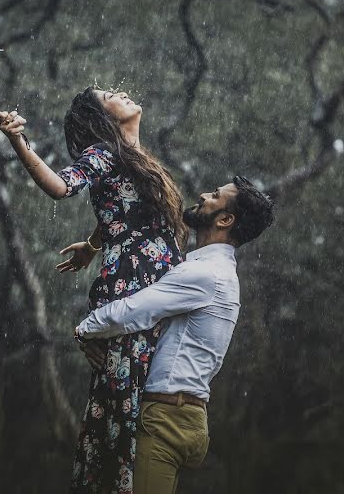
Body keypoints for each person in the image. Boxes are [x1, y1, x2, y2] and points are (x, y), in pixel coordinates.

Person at [0, 87, 186, 494]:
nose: (122, 91)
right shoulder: (103, 153)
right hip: (132, 287)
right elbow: (61, 186)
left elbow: (124, 206)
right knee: (123, 409)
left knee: (139, 401)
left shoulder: (131, 157)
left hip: (149, 287)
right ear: (104, 119)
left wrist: (94, 243)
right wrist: (17, 140)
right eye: (108, 95)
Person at [74, 176, 275, 493]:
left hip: (165, 418)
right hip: (185, 417)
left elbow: (135, 311)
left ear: (225, 219)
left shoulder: (205, 274)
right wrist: (93, 244)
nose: (203, 195)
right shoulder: (215, 271)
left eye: (214, 195)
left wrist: (85, 328)